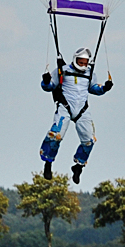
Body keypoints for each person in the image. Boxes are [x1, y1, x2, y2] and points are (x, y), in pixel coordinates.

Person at [39, 47, 113, 184]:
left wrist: (104, 88)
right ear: (75, 59)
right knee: (55, 135)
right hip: (65, 107)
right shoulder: (63, 70)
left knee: (89, 140)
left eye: (86, 62)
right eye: (81, 62)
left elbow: (93, 89)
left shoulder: (90, 73)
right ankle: (48, 162)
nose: (83, 65)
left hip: (82, 110)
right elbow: (49, 87)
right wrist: (46, 81)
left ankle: (78, 166)